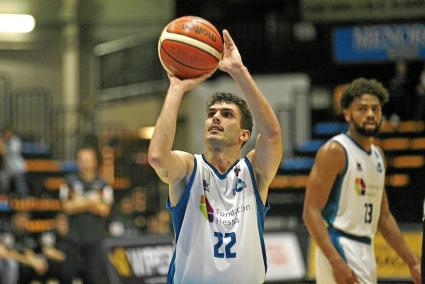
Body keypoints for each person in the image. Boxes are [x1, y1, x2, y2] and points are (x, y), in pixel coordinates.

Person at [148, 29, 282, 283]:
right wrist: (176, 88)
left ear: (244, 135)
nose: (216, 118)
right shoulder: (189, 168)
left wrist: (238, 71)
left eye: (227, 114)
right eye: (211, 113)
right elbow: (157, 157)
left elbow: (272, 134)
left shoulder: (255, 171)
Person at [303, 78, 421, 284]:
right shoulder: (335, 151)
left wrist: (412, 262)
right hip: (340, 244)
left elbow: (383, 217)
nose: (370, 114)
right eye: (362, 109)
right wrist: (335, 260)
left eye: (375, 109)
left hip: (365, 247)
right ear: (347, 113)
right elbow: (310, 211)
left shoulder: (378, 156)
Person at [59, 145, 114, 284]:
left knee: (95, 278)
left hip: (95, 239)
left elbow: (104, 210)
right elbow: (67, 207)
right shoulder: (68, 182)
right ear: (77, 161)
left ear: (95, 161)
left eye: (89, 160)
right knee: (67, 276)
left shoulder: (103, 184)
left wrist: (80, 201)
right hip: (74, 239)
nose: (86, 163)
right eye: (82, 160)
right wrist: (92, 201)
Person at [0, 127, 29, 197]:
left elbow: (6, 151)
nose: (7, 134)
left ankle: (24, 200)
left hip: (18, 168)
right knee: (3, 182)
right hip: (8, 169)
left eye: (8, 132)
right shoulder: (4, 141)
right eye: (6, 133)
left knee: (21, 188)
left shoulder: (15, 140)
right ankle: (3, 197)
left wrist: (1, 142)